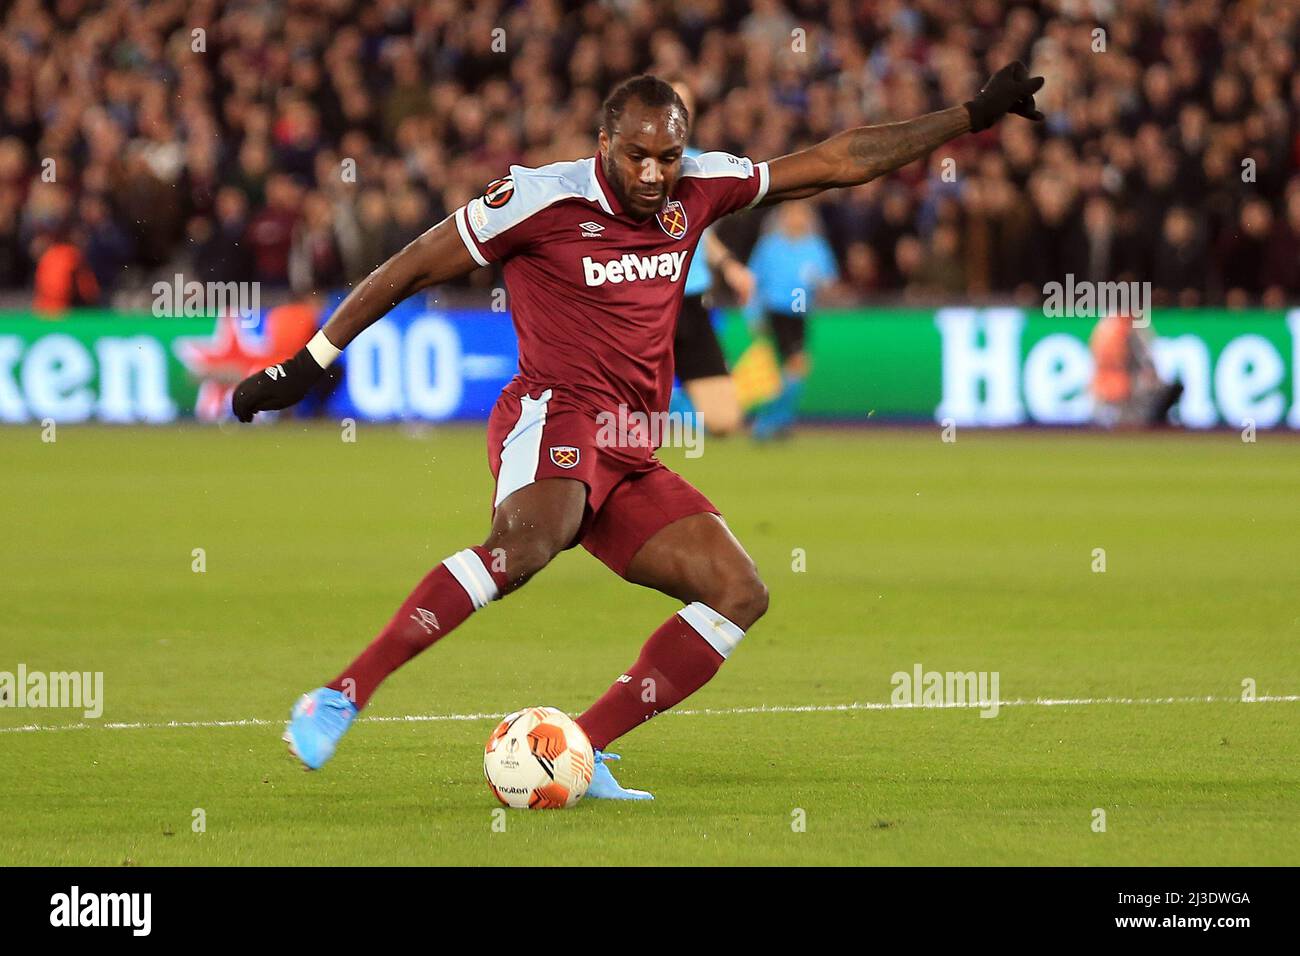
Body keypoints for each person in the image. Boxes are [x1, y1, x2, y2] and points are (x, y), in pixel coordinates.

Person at [232, 65, 1045, 799]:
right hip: (552, 412)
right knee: (523, 548)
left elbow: (842, 159)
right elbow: (413, 262)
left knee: (739, 593)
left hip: (627, 441)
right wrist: (309, 360)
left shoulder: (704, 187)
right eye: (638, 157)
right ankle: (341, 692)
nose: (656, 174)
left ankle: (582, 747)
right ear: (605, 145)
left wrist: (970, 116)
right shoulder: (540, 199)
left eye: (670, 157)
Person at [668, 79, 754, 437]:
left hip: (691, 297)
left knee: (725, 420)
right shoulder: (629, 166)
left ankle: (658, 415)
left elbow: (700, 230)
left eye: (685, 106)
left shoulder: (702, 165)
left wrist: (729, 265)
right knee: (611, 413)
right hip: (642, 297)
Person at [747, 200, 839, 439]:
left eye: (800, 214)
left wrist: (819, 281)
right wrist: (753, 313)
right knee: (794, 366)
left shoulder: (815, 246)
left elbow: (829, 281)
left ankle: (774, 422)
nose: (796, 219)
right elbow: (753, 281)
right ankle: (770, 423)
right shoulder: (770, 246)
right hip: (775, 311)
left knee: (793, 370)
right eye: (791, 214)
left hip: (800, 314)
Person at [1090, 312, 1183, 427]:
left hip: (1104, 390)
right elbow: (1142, 361)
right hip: (1121, 391)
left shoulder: (1106, 326)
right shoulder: (1124, 329)